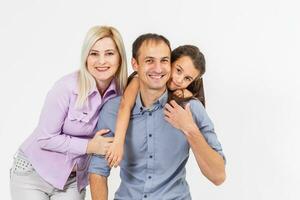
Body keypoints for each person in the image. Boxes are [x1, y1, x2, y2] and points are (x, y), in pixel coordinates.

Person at [88, 33, 226, 199]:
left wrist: (190, 129)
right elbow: (98, 170)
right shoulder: (113, 109)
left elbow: (218, 176)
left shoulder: (190, 109)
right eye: (149, 61)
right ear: (135, 64)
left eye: (164, 61)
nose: (158, 69)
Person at [9, 25, 128, 200]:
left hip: (72, 180)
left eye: (109, 53)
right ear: (85, 57)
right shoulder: (66, 87)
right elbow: (45, 138)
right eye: (94, 53)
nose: (101, 61)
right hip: (32, 173)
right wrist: (89, 146)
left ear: (120, 58)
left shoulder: (123, 93)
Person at [105, 44, 207, 168]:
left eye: (187, 78)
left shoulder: (184, 95)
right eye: (178, 70)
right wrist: (118, 143)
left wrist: (186, 94)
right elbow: (124, 106)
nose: (179, 80)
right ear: (169, 61)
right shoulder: (140, 78)